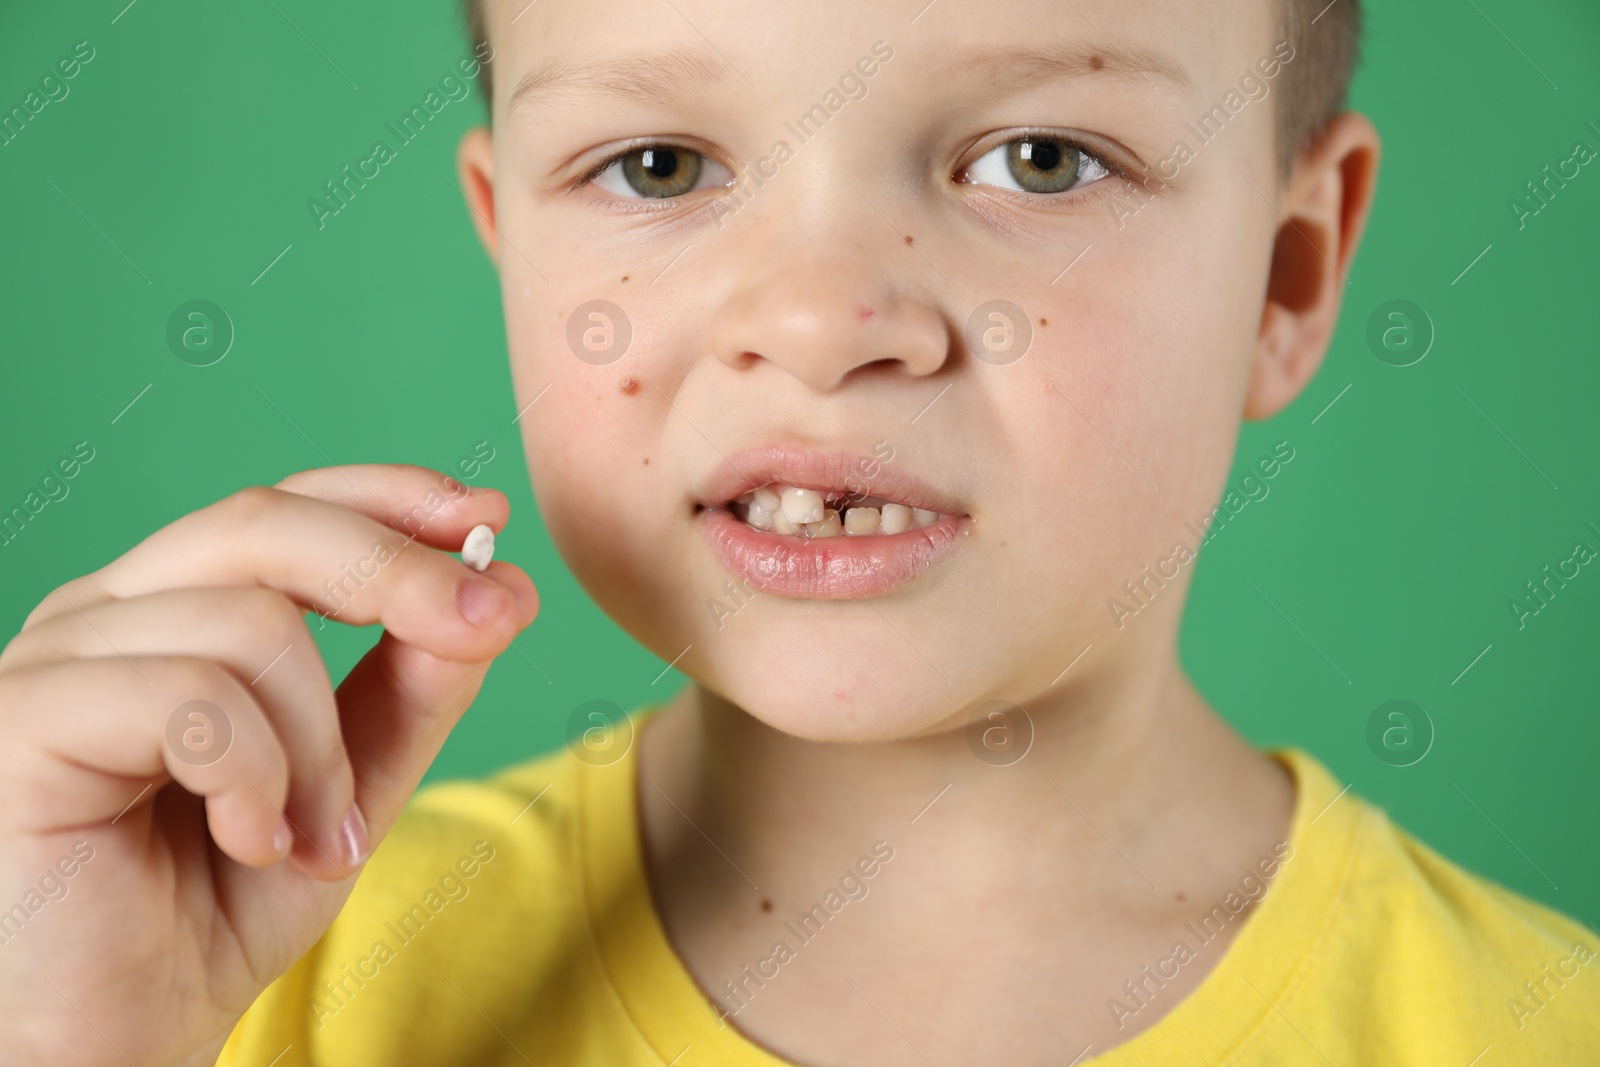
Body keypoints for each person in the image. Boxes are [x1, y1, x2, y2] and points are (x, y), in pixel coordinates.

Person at [3, 0, 1596, 1063]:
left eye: (1042, 160)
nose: (823, 320)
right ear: (511, 252)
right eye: (659, 164)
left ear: (1285, 275)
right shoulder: (232, 1002)